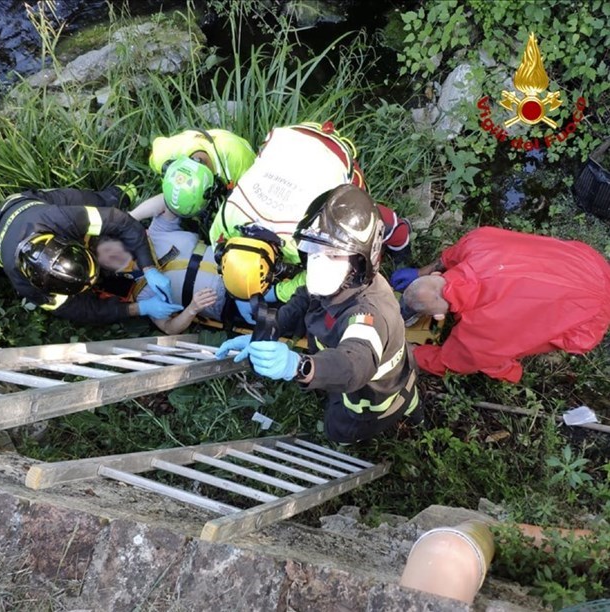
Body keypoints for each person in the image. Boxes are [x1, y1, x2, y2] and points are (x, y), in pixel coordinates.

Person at [216, 185, 420, 444]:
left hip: (370, 399)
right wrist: (264, 334)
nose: (318, 264)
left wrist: (299, 366)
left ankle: (354, 441)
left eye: (334, 255)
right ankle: (414, 408)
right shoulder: (336, 285)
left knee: (336, 431)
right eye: (313, 251)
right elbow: (300, 303)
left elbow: (353, 364)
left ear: (360, 262)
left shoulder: (368, 313)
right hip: (393, 372)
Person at [209, 121, 412, 310]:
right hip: (288, 139)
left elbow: (315, 273)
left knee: (360, 218)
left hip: (331, 156)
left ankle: (398, 234)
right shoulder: (228, 219)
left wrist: (279, 292)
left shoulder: (298, 239)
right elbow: (214, 237)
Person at [393, 226, 610, 383]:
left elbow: (452, 362)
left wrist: (406, 353)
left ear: (439, 317)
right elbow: (453, 254)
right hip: (588, 264)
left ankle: (507, 365)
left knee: (497, 352)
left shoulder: (482, 329)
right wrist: (422, 273)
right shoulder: (476, 242)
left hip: (588, 318)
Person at [0, 185, 181, 325]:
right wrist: (140, 308)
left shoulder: (60, 219)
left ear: (67, 240)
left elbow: (120, 221)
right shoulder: (28, 286)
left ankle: (120, 191)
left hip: (24, 204)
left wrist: (149, 268)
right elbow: (85, 312)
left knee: (102, 201)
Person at [94, 214, 228, 334]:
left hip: (235, 260)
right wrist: (192, 309)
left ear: (119, 240)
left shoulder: (156, 233)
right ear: (113, 272)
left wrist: (128, 217)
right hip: (225, 301)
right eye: (108, 261)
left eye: (109, 249)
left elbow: (166, 202)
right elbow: (169, 327)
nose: (113, 256)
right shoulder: (142, 294)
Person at [130, 128, 256, 221]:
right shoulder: (163, 155)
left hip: (230, 146)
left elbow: (252, 200)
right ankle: (130, 216)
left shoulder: (240, 161)